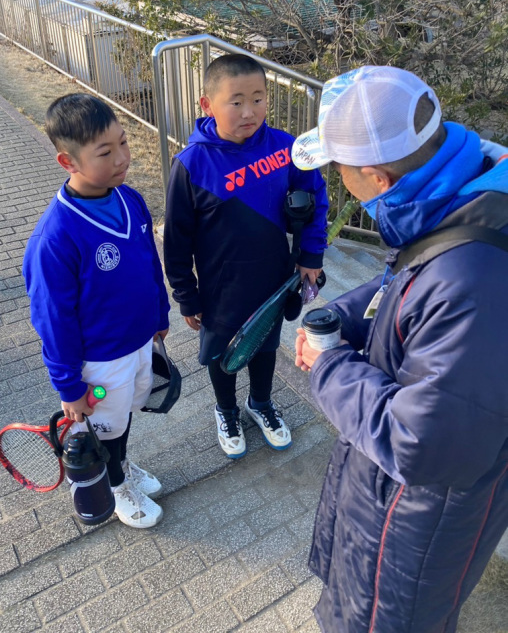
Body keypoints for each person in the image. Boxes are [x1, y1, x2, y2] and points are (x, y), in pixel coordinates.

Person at [292, 65, 508, 632]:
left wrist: (329, 365)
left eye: (340, 169)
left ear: (376, 177)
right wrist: (344, 317)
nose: (340, 182)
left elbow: (423, 445)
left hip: (417, 521)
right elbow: (411, 278)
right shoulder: (466, 190)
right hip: (395, 503)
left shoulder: (473, 281)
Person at [164, 53, 328, 458]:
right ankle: (226, 410)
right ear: (207, 105)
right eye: (236, 101)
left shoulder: (287, 148)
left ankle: (261, 403)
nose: (249, 111)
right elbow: (177, 239)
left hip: (274, 276)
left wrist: (312, 254)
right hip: (219, 285)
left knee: (266, 344)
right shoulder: (192, 164)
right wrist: (186, 295)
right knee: (221, 353)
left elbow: (316, 199)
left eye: (258, 98)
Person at [23, 93, 171, 529]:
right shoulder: (55, 237)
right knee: (106, 425)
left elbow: (149, 261)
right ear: (67, 161)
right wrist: (69, 387)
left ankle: (120, 464)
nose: (122, 158)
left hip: (140, 341)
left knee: (123, 417)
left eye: (123, 142)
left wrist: (160, 314)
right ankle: (117, 484)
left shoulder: (130, 199)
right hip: (101, 361)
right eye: (105, 152)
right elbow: (53, 320)